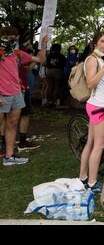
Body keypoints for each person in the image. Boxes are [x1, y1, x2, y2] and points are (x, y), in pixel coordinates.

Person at [78, 31, 104, 193]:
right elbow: (90, 83)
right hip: (98, 107)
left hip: (98, 104)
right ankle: (93, 182)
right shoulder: (92, 59)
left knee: (91, 143)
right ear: (95, 43)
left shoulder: (100, 60)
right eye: (102, 41)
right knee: (99, 144)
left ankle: (83, 177)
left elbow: (99, 84)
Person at [0, 27, 47, 165]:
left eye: (13, 36)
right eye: (7, 37)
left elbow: (40, 59)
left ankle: (9, 156)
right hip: (2, 94)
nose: (11, 39)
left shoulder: (17, 53)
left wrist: (43, 45)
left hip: (16, 93)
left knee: (12, 124)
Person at [17, 44, 41, 151]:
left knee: (25, 114)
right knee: (8, 118)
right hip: (9, 90)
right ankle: (4, 143)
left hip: (23, 87)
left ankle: (22, 141)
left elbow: (40, 59)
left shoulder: (20, 54)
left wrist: (43, 45)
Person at [44, 43, 66, 108]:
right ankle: (55, 101)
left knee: (49, 86)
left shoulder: (49, 55)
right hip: (58, 72)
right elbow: (64, 64)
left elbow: (46, 64)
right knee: (57, 87)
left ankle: (49, 101)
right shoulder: (61, 56)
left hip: (49, 71)